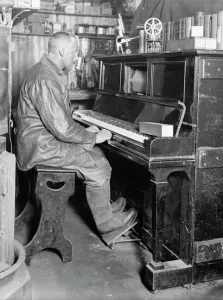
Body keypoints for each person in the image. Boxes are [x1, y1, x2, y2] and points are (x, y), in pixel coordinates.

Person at [15, 31, 137, 243]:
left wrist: (86, 133)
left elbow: (59, 120)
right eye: (74, 52)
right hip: (41, 148)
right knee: (98, 163)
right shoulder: (45, 79)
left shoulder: (47, 72)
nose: (76, 56)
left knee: (96, 154)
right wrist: (94, 137)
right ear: (62, 50)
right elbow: (61, 128)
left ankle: (105, 207)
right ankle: (108, 226)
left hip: (41, 142)